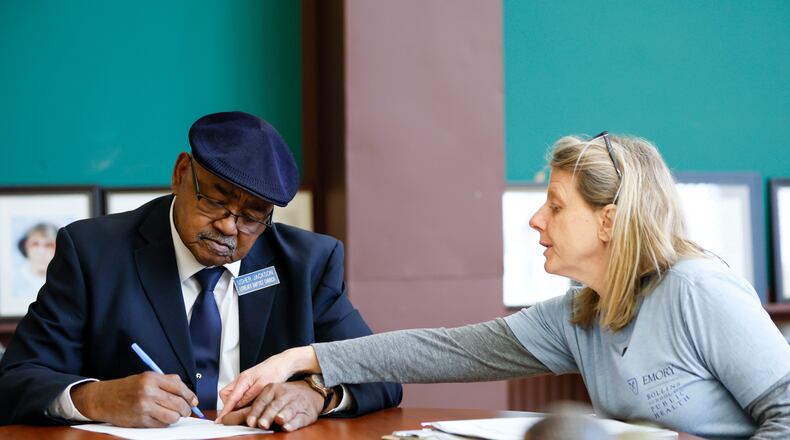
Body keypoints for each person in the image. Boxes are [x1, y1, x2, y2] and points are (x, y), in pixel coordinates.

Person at [216, 133, 790, 438]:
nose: (536, 220)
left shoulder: (696, 290)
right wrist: (305, 357)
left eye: (555, 206)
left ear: (609, 221)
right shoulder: (580, 313)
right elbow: (449, 350)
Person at [0, 111, 401, 429]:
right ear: (180, 174)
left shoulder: (307, 263)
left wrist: (316, 394)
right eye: (215, 201)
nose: (228, 226)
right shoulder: (94, 253)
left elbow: (381, 374)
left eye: (251, 217)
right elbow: (15, 380)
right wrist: (98, 398)